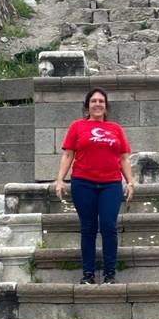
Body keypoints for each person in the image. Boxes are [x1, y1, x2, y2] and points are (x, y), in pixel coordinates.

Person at [55, 87, 134, 284]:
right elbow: (68, 154)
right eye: (93, 101)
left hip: (111, 184)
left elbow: (124, 158)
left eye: (101, 101)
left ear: (106, 106)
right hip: (83, 183)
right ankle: (88, 274)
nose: (97, 104)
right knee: (88, 228)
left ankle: (109, 274)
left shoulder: (116, 129)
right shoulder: (77, 126)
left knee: (109, 226)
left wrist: (130, 181)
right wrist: (60, 179)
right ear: (87, 106)